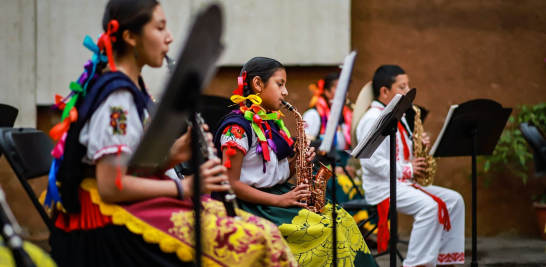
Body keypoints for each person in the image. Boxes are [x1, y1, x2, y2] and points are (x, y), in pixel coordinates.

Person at [43, 1, 297, 266]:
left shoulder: (133, 88)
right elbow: (111, 185)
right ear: (130, 37)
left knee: (254, 231)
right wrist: (183, 186)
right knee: (255, 238)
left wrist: (175, 153)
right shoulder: (116, 99)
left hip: (126, 200)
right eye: (160, 27)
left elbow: (131, 168)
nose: (169, 37)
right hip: (104, 220)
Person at [213, 57, 376, 266]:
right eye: (280, 84)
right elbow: (230, 184)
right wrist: (279, 201)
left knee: (343, 218)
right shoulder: (236, 129)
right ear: (257, 84)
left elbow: (274, 174)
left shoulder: (272, 123)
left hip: (277, 196)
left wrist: (297, 161)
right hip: (252, 206)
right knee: (330, 231)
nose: (285, 92)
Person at [355, 65, 465, 266]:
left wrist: (418, 148)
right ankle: (415, 264)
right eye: (402, 87)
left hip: (404, 183)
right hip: (383, 187)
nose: (408, 92)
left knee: (455, 200)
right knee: (430, 207)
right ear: (385, 91)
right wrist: (409, 169)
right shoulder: (372, 119)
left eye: (408, 86)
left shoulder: (400, 116)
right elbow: (371, 163)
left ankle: (445, 261)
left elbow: (402, 155)